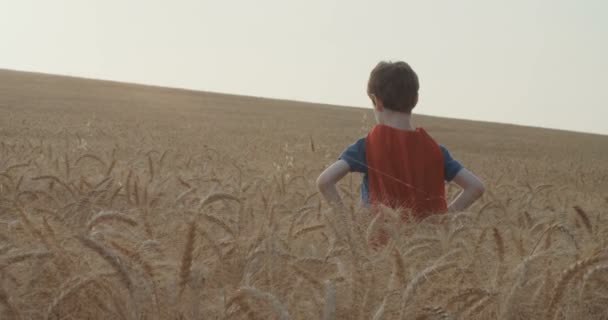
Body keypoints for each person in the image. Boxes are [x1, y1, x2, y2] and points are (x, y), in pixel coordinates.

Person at [316, 61, 484, 221]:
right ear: (416, 100)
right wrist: (443, 219)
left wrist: (346, 223)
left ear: (377, 101)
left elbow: (324, 181)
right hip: (428, 247)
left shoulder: (366, 146)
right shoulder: (437, 151)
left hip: (374, 245)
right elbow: (475, 187)